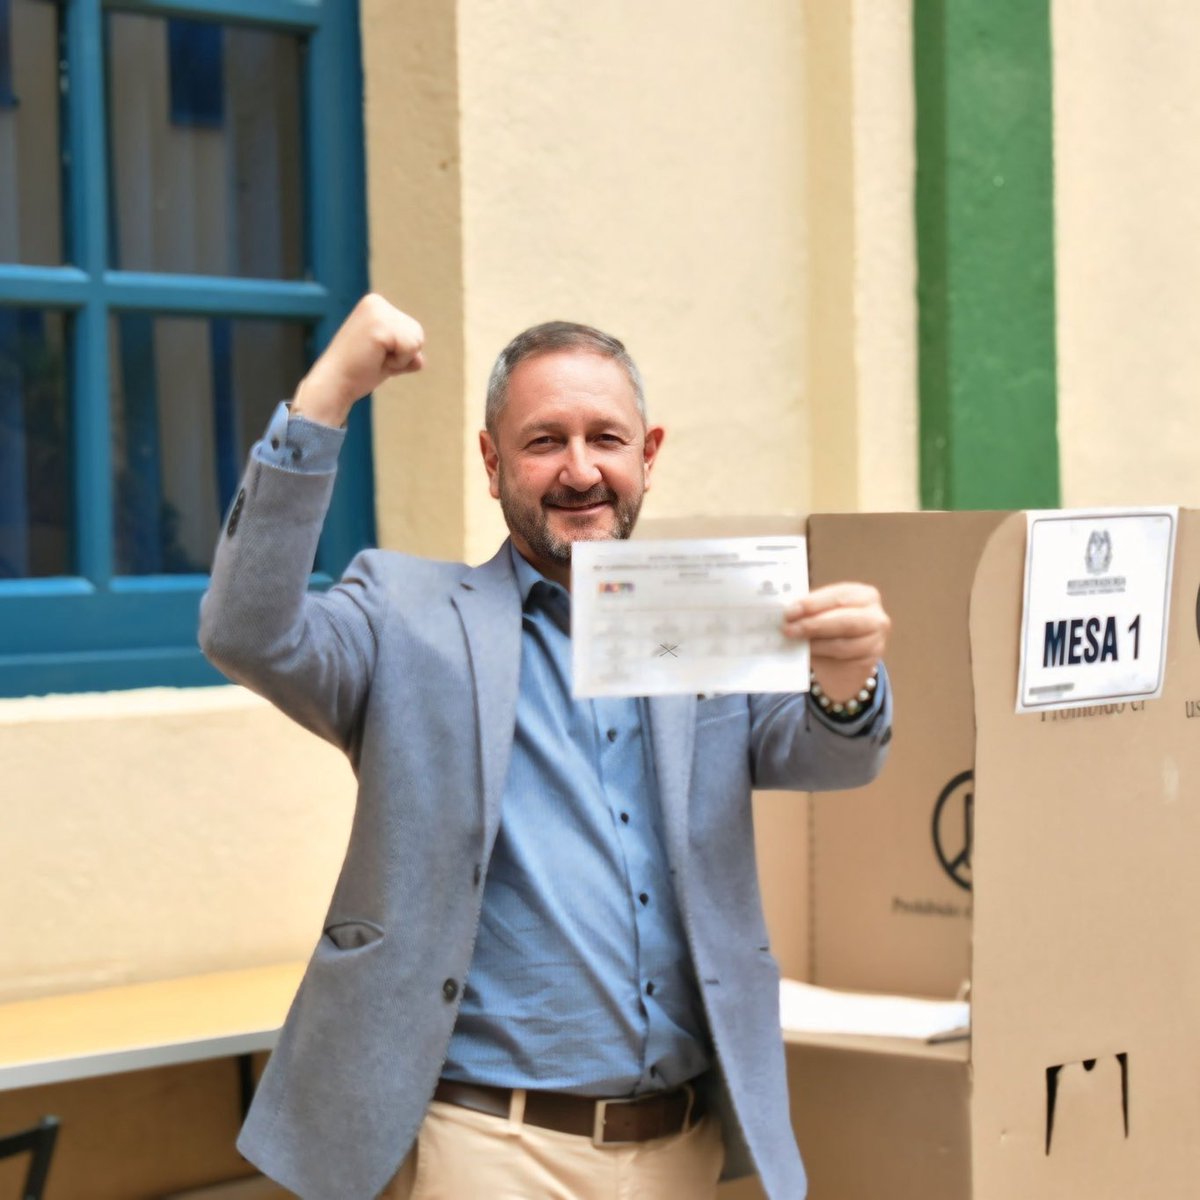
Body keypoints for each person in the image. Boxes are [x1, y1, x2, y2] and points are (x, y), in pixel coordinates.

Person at [199, 294, 892, 1200]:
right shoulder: (402, 616)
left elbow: (830, 755)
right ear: (492, 464)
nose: (579, 470)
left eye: (606, 439)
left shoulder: (711, 620)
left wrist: (848, 676)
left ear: (649, 457)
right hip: (488, 1148)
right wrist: (329, 393)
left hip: (684, 1145)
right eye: (542, 441)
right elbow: (246, 631)